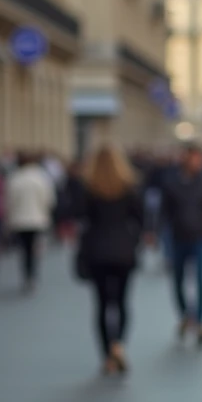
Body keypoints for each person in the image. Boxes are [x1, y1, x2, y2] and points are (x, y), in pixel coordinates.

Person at [79, 145, 144, 376]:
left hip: (97, 251)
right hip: (123, 251)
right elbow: (140, 218)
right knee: (123, 302)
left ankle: (107, 354)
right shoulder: (128, 187)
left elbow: (81, 217)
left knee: (102, 305)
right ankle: (119, 344)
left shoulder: (89, 189)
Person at [162, 144, 202, 346]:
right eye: (194, 158)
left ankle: (201, 320)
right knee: (178, 280)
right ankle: (186, 315)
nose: (198, 163)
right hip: (177, 238)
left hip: (200, 236)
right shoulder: (172, 183)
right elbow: (164, 212)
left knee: (201, 280)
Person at [5, 151, 56, 293]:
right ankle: (33, 274)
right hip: (37, 219)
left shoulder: (14, 178)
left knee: (24, 250)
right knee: (34, 249)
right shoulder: (41, 178)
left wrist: (9, 219)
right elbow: (49, 199)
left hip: (20, 220)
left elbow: (10, 201)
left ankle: (26, 275)